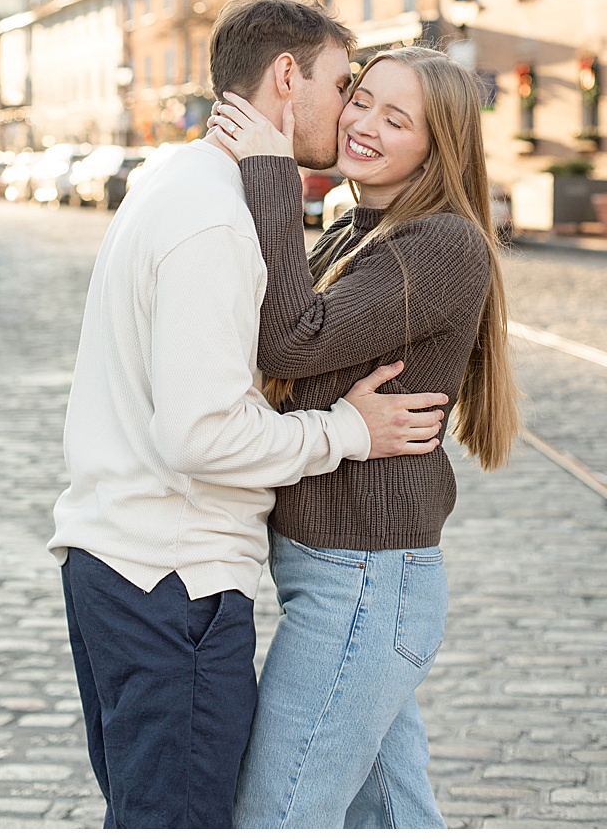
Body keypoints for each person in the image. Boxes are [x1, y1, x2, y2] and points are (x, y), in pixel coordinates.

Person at [48, 0, 450, 829]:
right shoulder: (217, 221)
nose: (349, 114)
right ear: (285, 76)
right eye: (347, 86)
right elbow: (201, 434)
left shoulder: (175, 185)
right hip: (172, 579)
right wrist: (346, 431)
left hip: (126, 563)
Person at [206, 43, 520, 828]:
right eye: (362, 98)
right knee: (392, 818)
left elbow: (291, 341)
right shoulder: (358, 231)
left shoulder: (442, 245)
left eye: (397, 116)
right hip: (341, 578)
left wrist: (272, 172)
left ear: (437, 145)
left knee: (277, 819)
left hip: (364, 585)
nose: (364, 123)